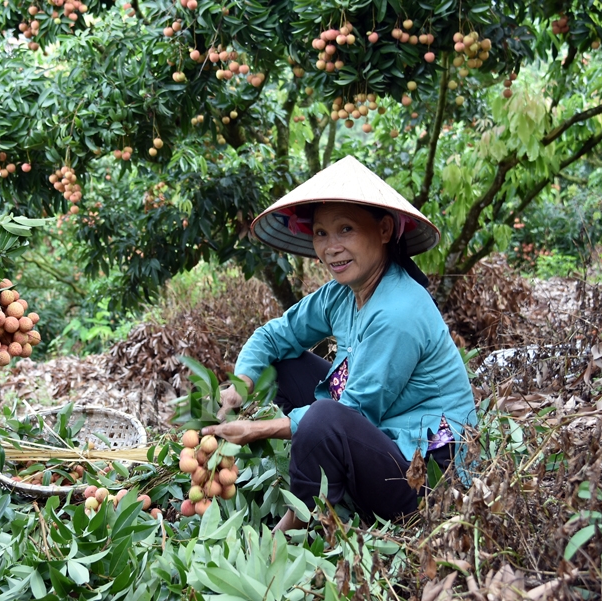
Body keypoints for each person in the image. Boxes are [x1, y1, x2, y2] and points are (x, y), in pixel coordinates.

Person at [202, 156, 477, 531]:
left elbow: (354, 411)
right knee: (283, 364)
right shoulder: (340, 294)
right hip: (381, 439)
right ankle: (322, 475)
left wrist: (256, 430)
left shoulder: (399, 312)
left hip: (424, 476)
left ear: (383, 230)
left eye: (345, 229)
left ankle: (301, 519)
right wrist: (241, 383)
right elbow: (274, 335)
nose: (330, 248)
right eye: (320, 233)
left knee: (322, 419)